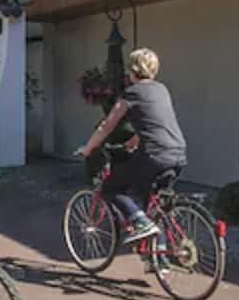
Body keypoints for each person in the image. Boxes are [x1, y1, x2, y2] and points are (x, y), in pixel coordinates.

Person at [76, 48, 187, 245]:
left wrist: (88, 149)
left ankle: (140, 222)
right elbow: (152, 122)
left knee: (111, 188)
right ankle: (159, 260)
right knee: (153, 203)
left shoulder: (132, 92)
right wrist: (132, 142)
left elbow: (106, 126)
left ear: (133, 71)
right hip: (178, 154)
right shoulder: (162, 89)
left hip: (154, 157)